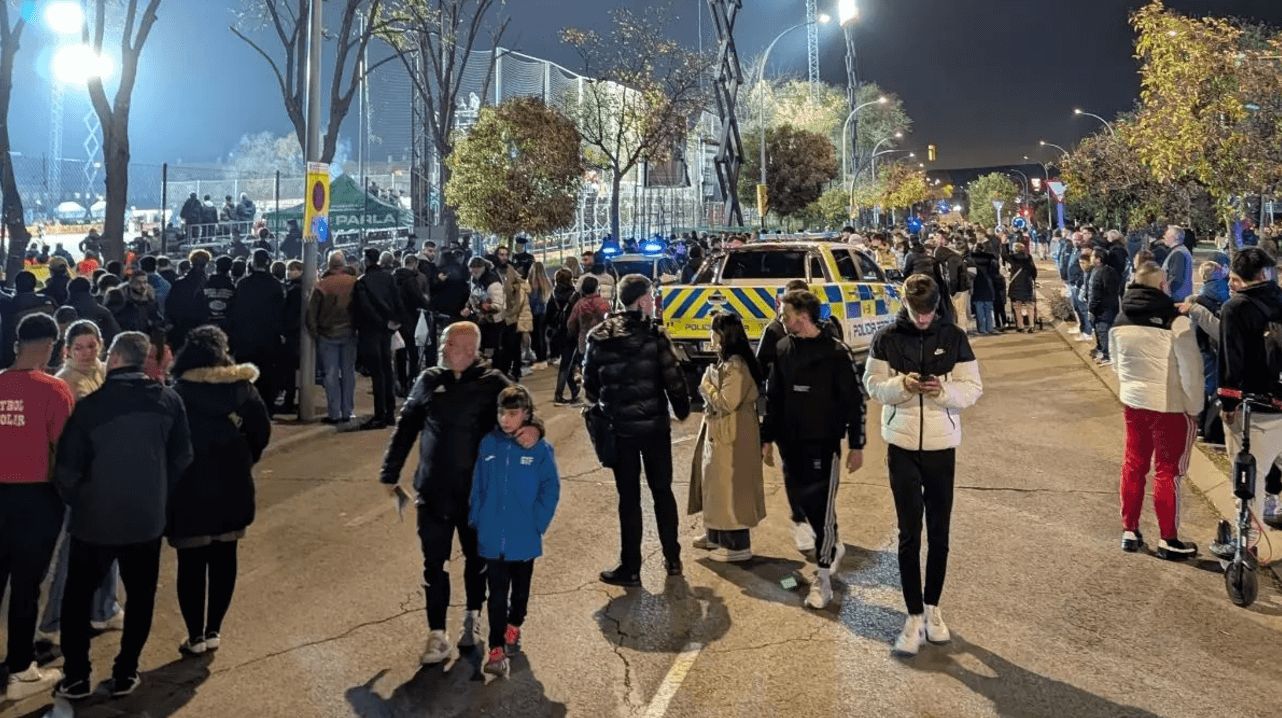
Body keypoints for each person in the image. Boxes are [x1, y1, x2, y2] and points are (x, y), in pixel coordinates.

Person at [379, 322, 541, 666]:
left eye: (448, 343)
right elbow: (407, 424)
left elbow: (527, 417)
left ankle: (472, 615)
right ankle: (437, 634)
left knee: (477, 561)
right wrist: (390, 472)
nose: (442, 347)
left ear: (468, 350)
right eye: (443, 342)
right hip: (433, 491)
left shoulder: (494, 384)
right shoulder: (429, 380)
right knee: (433, 564)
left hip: (478, 495)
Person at [52, 331, 193, 700]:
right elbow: (182, 458)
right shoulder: (169, 402)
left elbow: (67, 469)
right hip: (146, 520)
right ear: (144, 359)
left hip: (93, 520)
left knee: (77, 597)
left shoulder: (90, 408)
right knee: (141, 595)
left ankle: (77, 676)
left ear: (113, 358)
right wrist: (159, 493)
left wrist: (78, 500)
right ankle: (126, 670)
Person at [863, 274, 982, 656]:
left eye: (929, 313)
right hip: (901, 446)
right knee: (909, 533)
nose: (923, 320)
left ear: (937, 307)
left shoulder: (954, 338)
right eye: (917, 313)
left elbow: (973, 388)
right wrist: (902, 386)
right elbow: (872, 384)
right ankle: (913, 614)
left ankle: (933, 608)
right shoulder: (886, 338)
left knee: (940, 533)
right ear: (906, 305)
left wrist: (942, 392)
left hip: (941, 447)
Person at [168, 326, 270, 656]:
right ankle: (214, 630)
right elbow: (262, 430)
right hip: (232, 482)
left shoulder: (178, 392)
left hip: (189, 486)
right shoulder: (242, 389)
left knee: (191, 562)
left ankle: (194, 634)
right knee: (225, 556)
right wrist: (244, 458)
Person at [761, 289, 865, 610]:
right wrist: (766, 439)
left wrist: (856, 444)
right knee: (802, 505)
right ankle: (832, 545)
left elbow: (855, 401)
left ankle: (823, 579)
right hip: (790, 446)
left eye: (785, 312)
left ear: (802, 316)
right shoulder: (781, 348)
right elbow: (773, 399)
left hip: (823, 446)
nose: (780, 317)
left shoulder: (836, 353)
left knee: (820, 509)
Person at [583, 274, 691, 586]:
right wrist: (681, 409)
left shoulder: (598, 336)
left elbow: (590, 386)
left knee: (628, 498)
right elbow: (674, 378)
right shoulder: (654, 335)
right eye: (651, 295)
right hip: (655, 428)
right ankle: (672, 559)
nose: (653, 300)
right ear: (641, 299)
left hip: (620, 430)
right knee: (662, 492)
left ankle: (630, 567)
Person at [1, 314, 75, 701]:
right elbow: (65, 451)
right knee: (26, 587)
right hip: (36, 498)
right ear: (50, 344)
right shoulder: (54, 390)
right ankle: (19, 670)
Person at [1108, 262, 1203, 560]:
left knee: (1133, 465)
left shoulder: (1120, 320)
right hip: (1169, 406)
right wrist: (1195, 407)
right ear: (1162, 286)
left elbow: (1115, 362)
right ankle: (1168, 538)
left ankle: (1129, 529)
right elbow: (1191, 372)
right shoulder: (1176, 323)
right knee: (1168, 471)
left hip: (1134, 402)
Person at [39, 321, 123, 648]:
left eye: (92, 345)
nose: (87, 353)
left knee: (110, 544)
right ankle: (53, 622)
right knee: (72, 553)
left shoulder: (104, 373)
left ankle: (104, 608)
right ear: (67, 350)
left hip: (105, 477)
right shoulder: (64, 384)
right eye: (80, 347)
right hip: (79, 481)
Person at [469, 385, 561, 678]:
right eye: (502, 413)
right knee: (496, 594)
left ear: (526, 414)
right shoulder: (488, 444)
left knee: (519, 593)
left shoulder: (540, 449)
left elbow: (551, 488)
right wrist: (477, 518)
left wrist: (537, 522)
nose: (506, 420)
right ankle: (496, 649)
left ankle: (515, 622)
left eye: (513, 414)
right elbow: (478, 484)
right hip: (493, 536)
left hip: (524, 536)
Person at [1210, 248, 1282, 556]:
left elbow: (1231, 361)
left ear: (1239, 278)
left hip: (1256, 409)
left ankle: (1247, 545)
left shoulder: (1236, 308)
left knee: (1247, 477)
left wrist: (1228, 403)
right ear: (1266, 273)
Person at [689, 311, 766, 562]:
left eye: (713, 330)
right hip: (723, 431)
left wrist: (705, 384)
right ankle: (715, 535)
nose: (710, 335)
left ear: (723, 335)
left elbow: (727, 401)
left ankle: (737, 547)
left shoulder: (737, 366)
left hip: (734, 434)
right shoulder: (727, 362)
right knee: (715, 483)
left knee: (732, 488)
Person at [353, 249, 405, 430]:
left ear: (366, 261)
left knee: (377, 374)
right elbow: (398, 301)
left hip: (371, 331)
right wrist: (394, 322)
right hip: (387, 331)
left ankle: (380, 414)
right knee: (387, 370)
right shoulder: (389, 278)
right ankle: (390, 413)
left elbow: (365, 308)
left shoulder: (362, 282)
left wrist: (381, 323)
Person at [227, 250, 284, 412]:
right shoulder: (275, 284)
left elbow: (236, 312)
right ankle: (267, 408)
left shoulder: (243, 284)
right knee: (267, 374)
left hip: (246, 338)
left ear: (252, 263)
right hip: (268, 338)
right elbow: (279, 312)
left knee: (245, 375)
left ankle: (245, 408)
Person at [307, 250, 359, 424]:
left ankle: (334, 413)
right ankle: (348, 411)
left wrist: (315, 334)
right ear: (343, 263)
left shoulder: (322, 285)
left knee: (330, 375)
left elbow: (311, 314)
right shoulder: (354, 283)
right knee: (348, 373)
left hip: (327, 334)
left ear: (329, 265)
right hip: (350, 332)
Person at [558, 275, 606, 406]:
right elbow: (608, 321)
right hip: (601, 343)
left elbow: (570, 323)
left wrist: (578, 334)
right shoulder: (602, 303)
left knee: (586, 371)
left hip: (583, 343)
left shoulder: (579, 304)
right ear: (597, 288)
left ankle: (589, 397)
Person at [392, 254, 432, 397]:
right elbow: (419, 299)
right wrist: (425, 302)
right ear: (414, 264)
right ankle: (412, 382)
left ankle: (401, 382)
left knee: (400, 352)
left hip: (397, 321)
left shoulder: (394, 277)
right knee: (413, 352)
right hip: (411, 319)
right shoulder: (411, 280)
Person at [0, 271, 56, 368]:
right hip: (48, 354)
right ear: (34, 284)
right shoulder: (48, 301)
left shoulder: (9, 305)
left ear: (16, 286)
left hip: (16, 358)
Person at [167, 249, 211, 350]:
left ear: (191, 263)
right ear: (207, 264)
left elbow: (170, 306)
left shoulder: (179, 284)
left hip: (180, 329)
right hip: (202, 330)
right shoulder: (209, 284)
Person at [464, 256, 506, 361]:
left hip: (494, 321)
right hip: (481, 319)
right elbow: (473, 295)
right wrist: (468, 307)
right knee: (480, 347)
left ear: (483, 268)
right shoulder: (474, 278)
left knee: (492, 349)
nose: (474, 274)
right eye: (472, 271)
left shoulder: (492, 281)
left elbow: (498, 304)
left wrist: (488, 307)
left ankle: (495, 371)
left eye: (477, 271)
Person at [1087, 248, 1121, 365]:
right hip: (1110, 307)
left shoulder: (1099, 272)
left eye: (1092, 256)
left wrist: (1091, 308)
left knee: (1103, 331)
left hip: (1102, 309)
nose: (1090, 258)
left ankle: (1107, 356)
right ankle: (1105, 353)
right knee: (1105, 331)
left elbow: (1096, 294)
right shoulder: (1109, 270)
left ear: (1098, 259)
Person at [1006, 242, 1038, 333]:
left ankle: (1020, 325)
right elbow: (1034, 271)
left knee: (1017, 306)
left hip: (1016, 284)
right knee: (1030, 306)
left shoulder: (1012, 258)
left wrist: (1005, 245)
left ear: (1015, 249)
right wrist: (1033, 279)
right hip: (1027, 284)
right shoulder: (1029, 257)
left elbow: (1004, 255)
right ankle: (1031, 325)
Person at [527, 260, 552, 369]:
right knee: (542, 335)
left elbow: (533, 301)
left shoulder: (533, 284)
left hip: (535, 313)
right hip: (545, 313)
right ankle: (544, 357)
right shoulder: (547, 282)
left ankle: (540, 358)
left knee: (537, 336)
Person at [1161, 225, 1195, 302]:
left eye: (1166, 235)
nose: (1164, 237)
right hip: (1179, 297)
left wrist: (1166, 293)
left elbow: (1176, 279)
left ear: (1173, 237)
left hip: (1176, 298)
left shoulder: (1178, 253)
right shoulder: (1180, 251)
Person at [204, 256, 237, 331]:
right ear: (230, 269)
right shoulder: (231, 287)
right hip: (226, 326)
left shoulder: (206, 284)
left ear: (216, 267)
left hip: (207, 324)